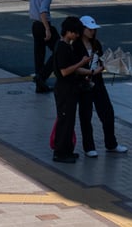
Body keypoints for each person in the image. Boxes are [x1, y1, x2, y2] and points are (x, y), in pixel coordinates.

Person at [77, 15, 127, 157]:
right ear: (82, 29)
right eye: (89, 29)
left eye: (93, 29)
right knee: (85, 115)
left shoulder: (96, 44)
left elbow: (101, 60)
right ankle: (89, 147)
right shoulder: (76, 46)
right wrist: (91, 71)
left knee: (107, 112)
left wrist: (106, 66)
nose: (92, 32)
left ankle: (111, 144)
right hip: (83, 84)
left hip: (97, 81)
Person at [51, 16, 90, 163]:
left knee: (69, 121)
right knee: (65, 121)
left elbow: (72, 69)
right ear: (68, 32)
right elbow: (64, 71)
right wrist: (81, 62)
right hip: (64, 90)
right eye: (75, 32)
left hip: (70, 89)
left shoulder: (67, 46)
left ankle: (67, 150)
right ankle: (60, 153)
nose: (77, 35)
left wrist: (90, 72)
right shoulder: (62, 47)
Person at [29, 0, 58, 94]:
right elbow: (43, 11)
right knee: (58, 50)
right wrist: (47, 29)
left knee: (38, 54)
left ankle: (40, 85)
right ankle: (42, 76)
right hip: (43, 24)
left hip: (35, 25)